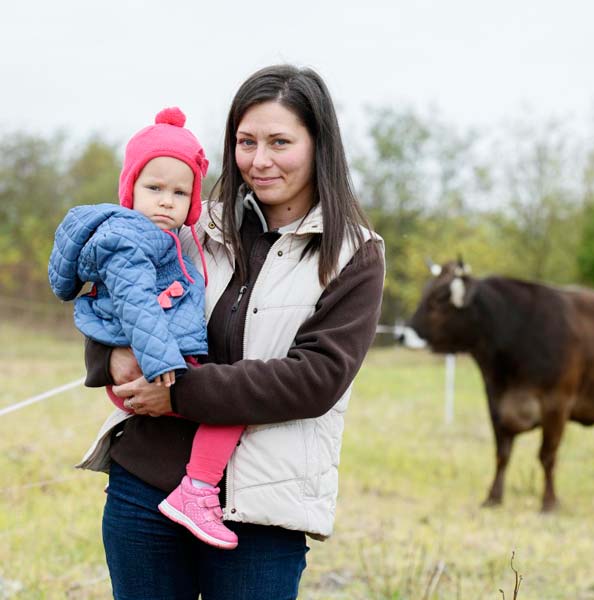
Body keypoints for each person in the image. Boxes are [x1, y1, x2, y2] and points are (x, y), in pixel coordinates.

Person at [78, 65, 384, 599]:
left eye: (280, 142)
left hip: (259, 511)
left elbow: (316, 379)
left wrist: (176, 393)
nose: (259, 160)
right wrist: (111, 355)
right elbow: (111, 288)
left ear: (319, 146)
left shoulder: (352, 254)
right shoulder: (193, 223)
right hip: (145, 487)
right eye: (246, 142)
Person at [49, 108, 246, 550]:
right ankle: (197, 491)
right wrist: (161, 362)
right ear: (130, 189)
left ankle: (195, 488)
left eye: (179, 192)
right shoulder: (131, 239)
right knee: (231, 409)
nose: (165, 201)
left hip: (154, 360)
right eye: (153, 188)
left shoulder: (161, 238)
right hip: (150, 367)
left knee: (228, 401)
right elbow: (136, 304)